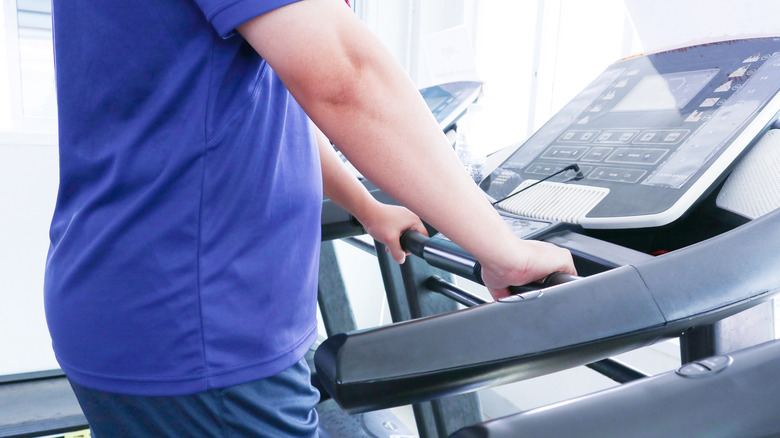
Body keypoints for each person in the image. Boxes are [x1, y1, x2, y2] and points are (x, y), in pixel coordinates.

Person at [44, 0, 577, 436]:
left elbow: (269, 105)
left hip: (122, 300)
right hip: (198, 328)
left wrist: (366, 206)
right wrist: (505, 251)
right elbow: (345, 77)